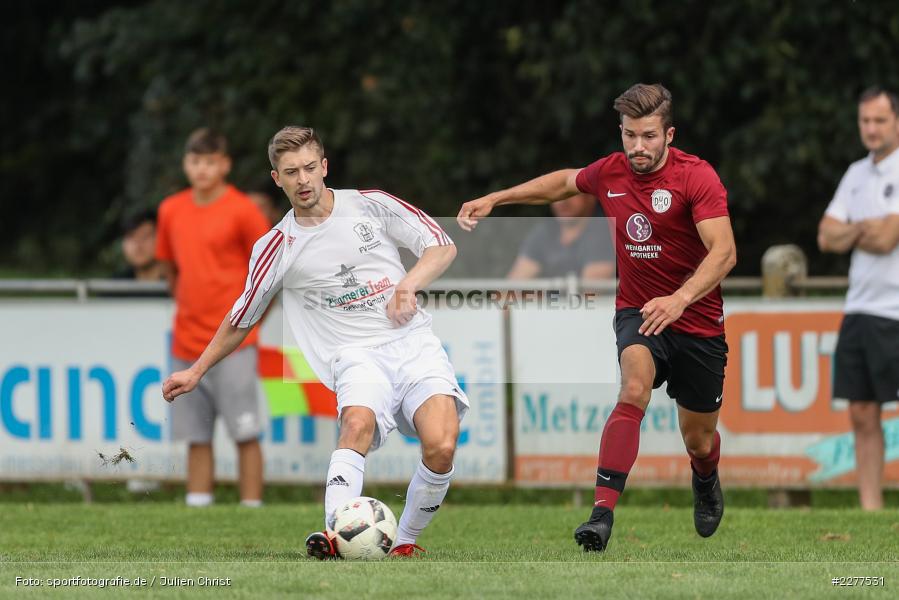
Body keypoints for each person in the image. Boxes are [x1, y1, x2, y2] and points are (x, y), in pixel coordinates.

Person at [162, 126, 467, 559]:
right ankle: (335, 536)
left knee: (442, 446)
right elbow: (241, 317)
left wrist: (407, 285)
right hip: (354, 355)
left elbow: (440, 244)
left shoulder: (371, 204)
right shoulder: (277, 246)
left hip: (413, 343)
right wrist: (196, 370)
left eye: (309, 168)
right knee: (356, 425)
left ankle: (404, 542)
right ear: (277, 179)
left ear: (324, 166)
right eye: (291, 172)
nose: (303, 180)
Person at [458, 83, 737, 552]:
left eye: (648, 136)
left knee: (699, 441)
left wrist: (680, 299)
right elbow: (563, 183)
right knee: (634, 388)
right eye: (629, 135)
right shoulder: (611, 172)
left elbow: (724, 252)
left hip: (696, 320)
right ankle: (601, 515)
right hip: (638, 312)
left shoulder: (697, 177)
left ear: (669, 135)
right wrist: (497, 199)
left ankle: (705, 477)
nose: (638, 146)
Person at [155, 128, 271, 508]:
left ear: (225, 164)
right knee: (196, 435)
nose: (201, 169)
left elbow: (268, 272)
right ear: (185, 164)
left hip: (235, 343)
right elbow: (169, 269)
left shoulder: (244, 210)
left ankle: (251, 508)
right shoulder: (170, 210)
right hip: (186, 340)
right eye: (195, 161)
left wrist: (250, 324)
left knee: (245, 431)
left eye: (209, 161)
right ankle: (198, 504)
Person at [817, 86, 899, 511]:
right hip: (860, 308)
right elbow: (825, 236)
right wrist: (866, 228)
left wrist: (852, 231)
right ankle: (871, 507)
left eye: (880, 120)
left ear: (896, 121)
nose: (871, 128)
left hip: (896, 310)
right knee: (862, 412)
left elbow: (887, 240)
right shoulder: (855, 174)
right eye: (865, 120)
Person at [507, 193, 615, 281]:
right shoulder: (545, 232)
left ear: (591, 196)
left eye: (570, 194)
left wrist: (538, 296)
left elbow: (591, 293)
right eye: (557, 194)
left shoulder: (604, 231)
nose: (562, 201)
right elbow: (511, 288)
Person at [115, 209, 164, 281]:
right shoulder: (116, 284)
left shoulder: (177, 282)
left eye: (145, 236)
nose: (138, 245)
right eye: (131, 237)